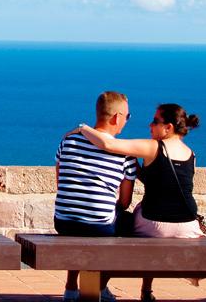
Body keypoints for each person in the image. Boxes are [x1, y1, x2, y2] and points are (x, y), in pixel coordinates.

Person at [77, 103, 202, 302]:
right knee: (147, 224)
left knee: (119, 226)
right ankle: (146, 291)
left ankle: (99, 286)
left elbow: (109, 145)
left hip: (155, 223)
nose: (150, 125)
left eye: (155, 121)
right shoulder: (191, 154)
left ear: (168, 127)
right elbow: (164, 180)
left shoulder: (153, 146)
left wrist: (84, 128)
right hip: (188, 226)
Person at [55, 91, 139, 302]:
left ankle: (71, 287)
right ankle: (100, 287)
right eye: (127, 116)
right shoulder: (125, 153)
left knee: (80, 223)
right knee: (129, 224)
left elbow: (60, 180)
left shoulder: (68, 141)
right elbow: (125, 201)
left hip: (63, 221)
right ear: (117, 117)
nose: (126, 121)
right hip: (100, 225)